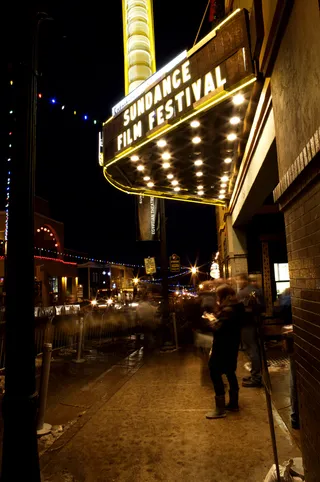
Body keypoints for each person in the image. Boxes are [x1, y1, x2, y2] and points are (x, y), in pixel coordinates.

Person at [205, 284, 245, 419]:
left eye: (219, 297)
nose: (218, 300)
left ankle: (220, 409)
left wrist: (211, 320)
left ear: (226, 296)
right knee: (229, 372)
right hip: (231, 346)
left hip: (223, 347)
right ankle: (234, 403)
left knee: (214, 371)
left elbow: (218, 328)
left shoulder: (228, 310)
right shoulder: (237, 307)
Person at [237, 273, 264, 388]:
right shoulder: (256, 290)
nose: (237, 282)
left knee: (252, 350)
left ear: (243, 280)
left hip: (247, 324)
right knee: (254, 349)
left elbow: (238, 308)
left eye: (238, 280)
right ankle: (255, 373)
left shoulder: (243, 293)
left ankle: (256, 377)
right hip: (255, 322)